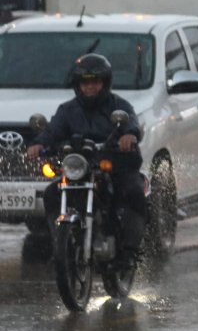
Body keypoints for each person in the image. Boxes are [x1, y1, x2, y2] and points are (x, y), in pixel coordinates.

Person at [26, 53, 145, 268]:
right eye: (85, 82)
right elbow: (52, 132)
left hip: (115, 165)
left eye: (95, 82)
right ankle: (60, 244)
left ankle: (129, 252)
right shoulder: (67, 110)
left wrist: (129, 135)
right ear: (77, 84)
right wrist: (39, 144)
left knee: (133, 191)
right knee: (53, 193)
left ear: (105, 83)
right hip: (80, 167)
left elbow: (132, 125)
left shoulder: (119, 106)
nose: (89, 87)